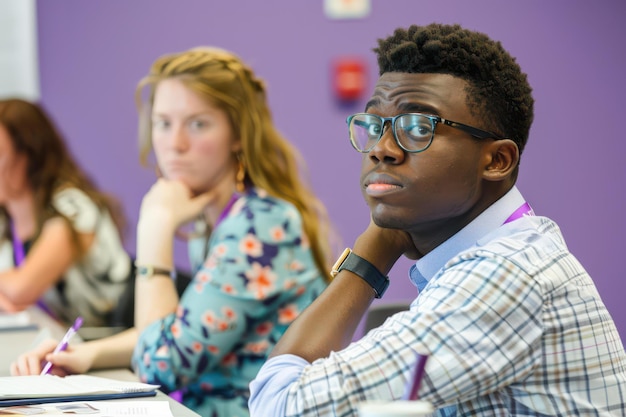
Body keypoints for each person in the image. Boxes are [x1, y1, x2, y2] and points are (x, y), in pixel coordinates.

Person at [248, 23, 626, 416]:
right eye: (375, 125)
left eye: (417, 128)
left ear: (497, 161)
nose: (381, 150)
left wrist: (369, 257)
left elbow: (282, 406)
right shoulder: (510, 251)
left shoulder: (503, 277)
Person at [12, 47, 333, 417]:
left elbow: (159, 365)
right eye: (163, 122)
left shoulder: (260, 227)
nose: (174, 143)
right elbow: (181, 329)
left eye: (197, 124)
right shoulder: (217, 218)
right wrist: (85, 353)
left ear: (238, 135)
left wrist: (156, 229)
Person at [0, 98, 131, 327]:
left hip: (109, 342)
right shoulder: (5, 218)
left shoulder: (73, 207)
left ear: (30, 155)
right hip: (58, 342)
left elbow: (22, 289)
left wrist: (11, 288)